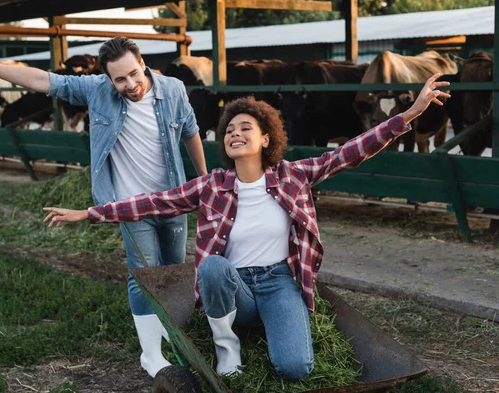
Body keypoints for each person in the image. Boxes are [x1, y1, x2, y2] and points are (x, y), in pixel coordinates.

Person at [42, 74, 449, 380]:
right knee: (213, 266)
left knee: (296, 369)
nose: (235, 134)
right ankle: (226, 345)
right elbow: (151, 202)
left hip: (278, 284)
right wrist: (89, 213)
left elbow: (350, 152)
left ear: (266, 137)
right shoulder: (212, 185)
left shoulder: (295, 175)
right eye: (229, 131)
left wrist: (408, 115)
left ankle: (265, 329)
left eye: (245, 129)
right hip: (232, 285)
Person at [0, 37, 208, 378]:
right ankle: (151, 354)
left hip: (171, 201)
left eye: (133, 74)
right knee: (144, 274)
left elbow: (191, 132)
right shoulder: (96, 90)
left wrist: (205, 184)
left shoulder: (173, 89)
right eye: (120, 80)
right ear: (108, 79)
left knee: (175, 271)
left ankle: (175, 341)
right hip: (128, 206)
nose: (130, 85)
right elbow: (43, 80)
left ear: (142, 62)